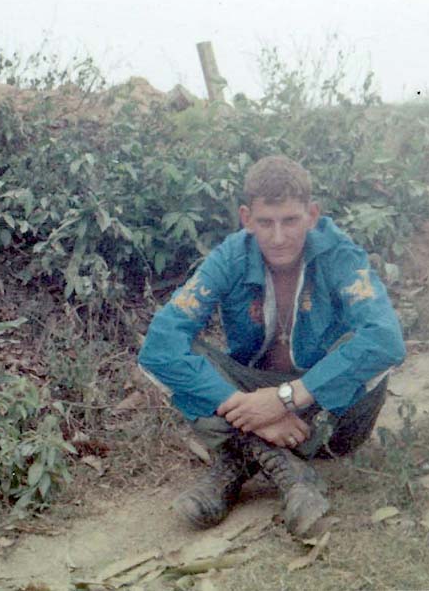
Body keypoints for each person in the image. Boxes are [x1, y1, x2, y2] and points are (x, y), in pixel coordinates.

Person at [138, 155, 405, 536]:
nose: (278, 237)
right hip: (253, 402)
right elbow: (160, 344)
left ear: (312, 215)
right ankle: (288, 472)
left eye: (290, 221)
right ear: (247, 218)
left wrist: (284, 399)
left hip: (331, 418)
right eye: (266, 223)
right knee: (175, 352)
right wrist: (246, 407)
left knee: (369, 349)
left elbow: (386, 339)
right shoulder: (229, 257)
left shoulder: (340, 255)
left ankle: (236, 463)